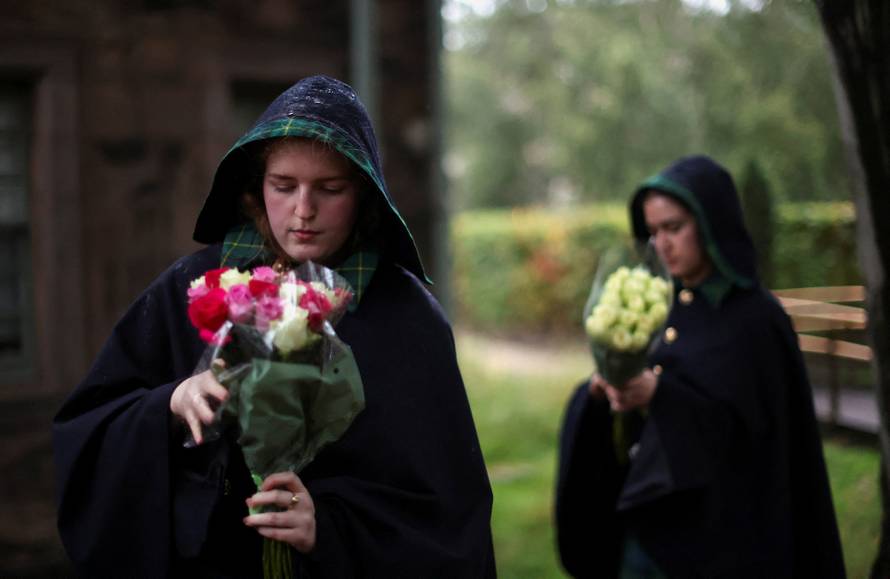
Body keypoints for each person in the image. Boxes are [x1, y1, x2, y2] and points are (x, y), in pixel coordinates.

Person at [53, 75, 496, 578]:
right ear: (254, 191)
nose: (303, 210)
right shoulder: (190, 287)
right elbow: (89, 431)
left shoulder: (406, 317)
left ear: (364, 196)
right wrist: (170, 404)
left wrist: (328, 530)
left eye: (330, 189)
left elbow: (447, 511)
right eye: (283, 187)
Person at [555, 155, 846, 578]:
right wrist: (603, 389)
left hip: (724, 540)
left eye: (673, 228)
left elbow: (759, 436)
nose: (660, 245)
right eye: (652, 232)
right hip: (647, 526)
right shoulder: (653, 304)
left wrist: (659, 394)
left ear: (712, 224)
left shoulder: (757, 320)